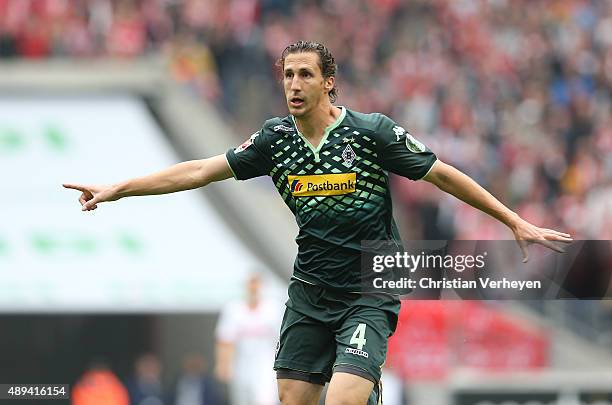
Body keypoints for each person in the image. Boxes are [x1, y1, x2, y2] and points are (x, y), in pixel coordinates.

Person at [63, 40, 573, 405]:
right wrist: (117, 189)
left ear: (328, 81)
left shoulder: (372, 133)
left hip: (368, 290)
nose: (294, 84)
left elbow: (442, 175)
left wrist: (512, 220)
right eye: (287, 75)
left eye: (305, 74)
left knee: (346, 399)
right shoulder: (274, 140)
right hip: (310, 292)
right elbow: (198, 170)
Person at [215, 273, 282, 405]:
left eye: (256, 284)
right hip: (240, 367)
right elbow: (225, 340)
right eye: (250, 284)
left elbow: (283, 340)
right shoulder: (233, 309)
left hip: (265, 368)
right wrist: (223, 364)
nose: (253, 288)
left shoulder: (273, 309)